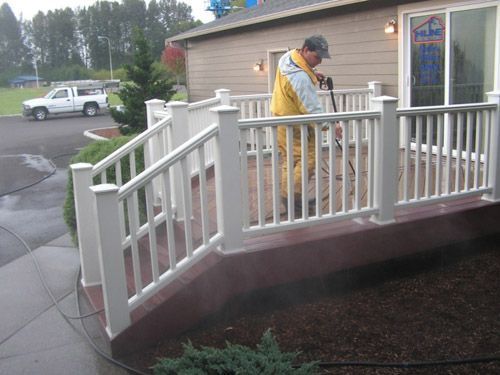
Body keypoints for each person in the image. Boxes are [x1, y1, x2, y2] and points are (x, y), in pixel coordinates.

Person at [270, 35, 342, 216]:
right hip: (296, 124)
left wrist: (312, 72)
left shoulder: (288, 58)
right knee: (308, 160)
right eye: (317, 57)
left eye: (321, 58)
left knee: (291, 161)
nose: (319, 61)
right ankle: (293, 202)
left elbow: (301, 71)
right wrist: (331, 126)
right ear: (305, 50)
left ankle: (293, 198)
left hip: (282, 117)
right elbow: (311, 109)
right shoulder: (300, 79)